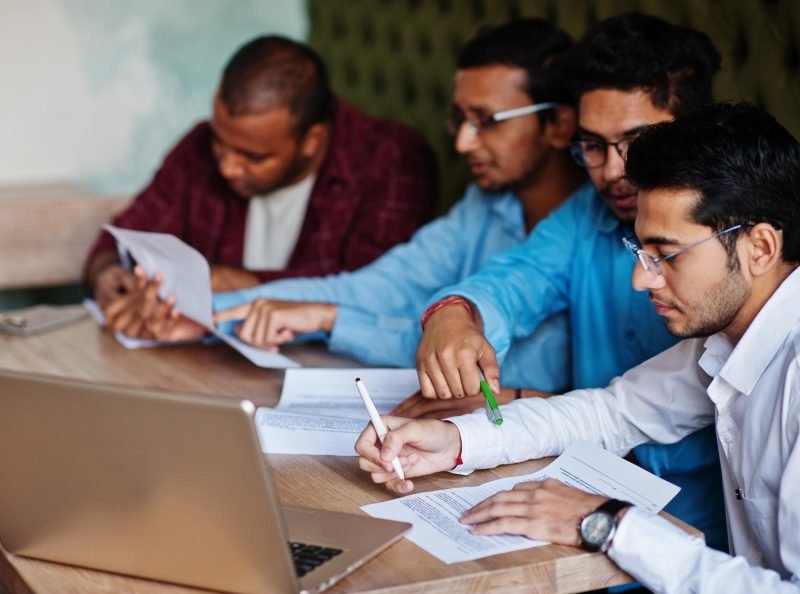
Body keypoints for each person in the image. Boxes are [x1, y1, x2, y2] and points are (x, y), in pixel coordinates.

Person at [357, 102, 800, 594]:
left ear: (759, 248)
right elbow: (610, 413)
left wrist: (606, 523)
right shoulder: (725, 341)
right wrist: (454, 440)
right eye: (640, 253)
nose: (640, 279)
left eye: (666, 255)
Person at [412, 13, 727, 550]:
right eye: (594, 146)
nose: (611, 171)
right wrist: (454, 313)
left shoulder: (734, 241)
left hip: (698, 537)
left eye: (637, 142)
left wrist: (524, 400)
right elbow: (514, 280)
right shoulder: (584, 214)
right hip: (579, 511)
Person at [139, 19, 587, 394]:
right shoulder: (483, 207)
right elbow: (373, 288)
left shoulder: (598, 228)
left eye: (486, 122)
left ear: (559, 124)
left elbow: (481, 362)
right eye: (461, 119)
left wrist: (330, 320)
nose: (462, 141)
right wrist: (206, 312)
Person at [83, 35, 437, 330]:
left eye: (252, 157)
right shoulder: (198, 147)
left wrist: (242, 284)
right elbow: (118, 240)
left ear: (312, 140)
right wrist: (111, 276)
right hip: (203, 367)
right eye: (220, 143)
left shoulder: (391, 161)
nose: (227, 167)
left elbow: (377, 294)